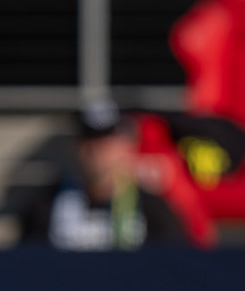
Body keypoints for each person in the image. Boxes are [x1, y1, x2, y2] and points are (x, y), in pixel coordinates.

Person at [18, 103, 190, 250]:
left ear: (128, 145)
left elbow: (173, 270)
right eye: (90, 138)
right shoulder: (44, 208)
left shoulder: (154, 210)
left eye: (108, 138)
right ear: (75, 146)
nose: (98, 149)